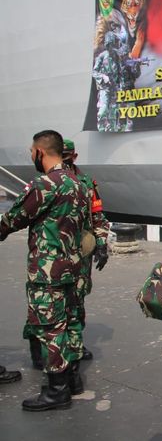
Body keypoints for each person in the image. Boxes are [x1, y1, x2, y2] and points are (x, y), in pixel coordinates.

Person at [0, 130, 88, 411]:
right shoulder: (78, 184)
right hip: (71, 268)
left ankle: (56, 391)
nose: (31, 156)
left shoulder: (45, 184)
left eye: (31, 152)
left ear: (40, 152)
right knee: (69, 324)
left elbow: (14, 218)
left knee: (50, 329)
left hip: (47, 271)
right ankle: (72, 380)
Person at [61, 139, 110, 360]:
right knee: (49, 299)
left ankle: (76, 345)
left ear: (74, 156)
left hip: (81, 251)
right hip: (53, 251)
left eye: (66, 155)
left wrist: (101, 243)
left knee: (78, 297)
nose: (63, 160)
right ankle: (43, 346)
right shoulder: (44, 182)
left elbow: (97, 214)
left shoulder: (86, 182)